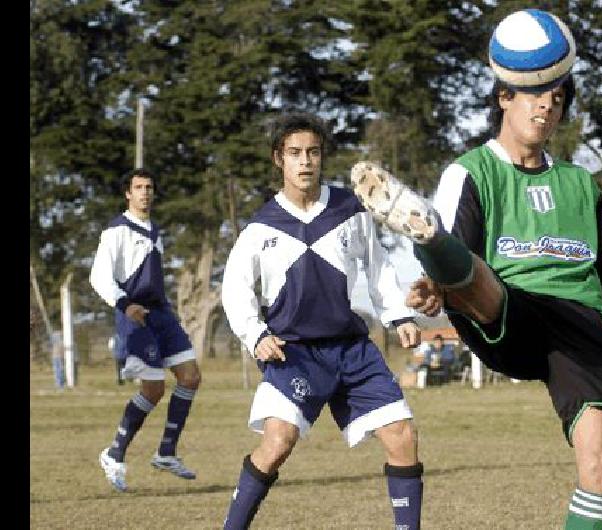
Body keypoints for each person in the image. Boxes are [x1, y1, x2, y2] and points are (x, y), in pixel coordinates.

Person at [351, 9, 602, 529]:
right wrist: (436, 285)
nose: (547, 103)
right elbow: (469, 270)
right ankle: (427, 234)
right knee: (478, 275)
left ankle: (436, 250)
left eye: (557, 94)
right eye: (534, 92)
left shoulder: (580, 183)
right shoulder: (470, 173)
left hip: (581, 326)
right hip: (507, 309)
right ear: (504, 95)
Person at [220, 112, 425, 530]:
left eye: (313, 152)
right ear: (279, 159)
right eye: (295, 153)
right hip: (293, 352)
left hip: (351, 350)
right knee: (277, 443)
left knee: (402, 437)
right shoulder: (261, 226)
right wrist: (255, 333)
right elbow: (235, 288)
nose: (305, 161)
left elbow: (378, 266)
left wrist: (397, 315)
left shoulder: (351, 209)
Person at [90, 168, 202, 492]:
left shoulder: (155, 230)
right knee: (153, 389)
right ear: (128, 193)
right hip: (135, 316)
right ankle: (114, 454)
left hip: (162, 314)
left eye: (149, 187)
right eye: (138, 187)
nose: (145, 193)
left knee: (191, 377)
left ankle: (166, 452)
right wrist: (126, 305)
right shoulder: (116, 231)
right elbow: (99, 277)